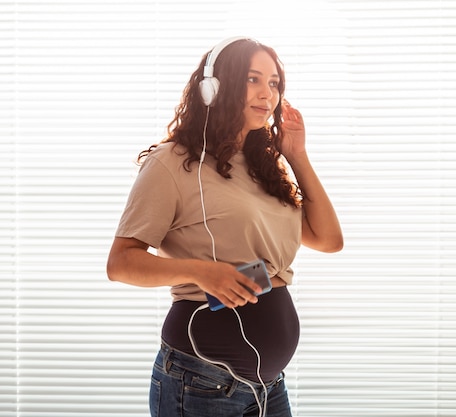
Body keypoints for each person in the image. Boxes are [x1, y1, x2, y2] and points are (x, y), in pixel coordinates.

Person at [106, 37, 343, 417]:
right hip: (200, 379)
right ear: (212, 87)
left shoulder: (263, 167)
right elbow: (120, 263)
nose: (267, 93)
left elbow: (330, 240)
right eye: (253, 79)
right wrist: (200, 272)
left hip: (268, 385)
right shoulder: (173, 164)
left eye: (274, 83)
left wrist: (297, 157)